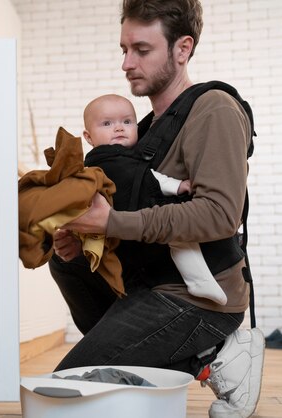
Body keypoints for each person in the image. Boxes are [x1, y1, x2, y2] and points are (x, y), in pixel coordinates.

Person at [48, 1, 265, 418]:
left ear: (182, 49)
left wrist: (111, 221)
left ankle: (215, 345)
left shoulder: (214, 108)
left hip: (198, 297)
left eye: (141, 50)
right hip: (150, 281)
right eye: (124, 49)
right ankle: (188, 354)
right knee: (69, 266)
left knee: (67, 398)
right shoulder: (141, 131)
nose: (126, 63)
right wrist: (80, 234)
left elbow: (221, 215)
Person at [81, 93, 227, 305]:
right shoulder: (99, 162)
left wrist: (178, 186)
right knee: (177, 234)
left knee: (179, 232)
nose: (119, 128)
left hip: (135, 218)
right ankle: (198, 279)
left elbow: (147, 176)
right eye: (107, 123)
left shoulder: (131, 156)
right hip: (126, 215)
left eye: (127, 122)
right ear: (88, 137)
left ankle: (199, 280)